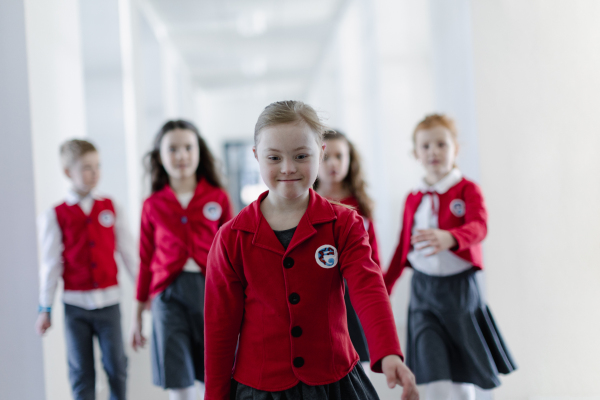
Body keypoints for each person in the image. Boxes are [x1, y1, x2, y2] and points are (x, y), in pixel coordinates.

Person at [205, 101, 419, 400]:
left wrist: (390, 354)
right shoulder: (231, 238)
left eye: (301, 156)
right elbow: (220, 327)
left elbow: (369, 289)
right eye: (274, 157)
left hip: (335, 382)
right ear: (256, 156)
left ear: (321, 152)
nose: (288, 168)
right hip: (260, 389)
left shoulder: (344, 223)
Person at [384, 114, 517, 400]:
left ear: (456, 148)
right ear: (415, 153)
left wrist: (452, 237)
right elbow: (402, 247)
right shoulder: (413, 198)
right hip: (423, 293)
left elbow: (480, 225)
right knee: (431, 368)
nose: (433, 151)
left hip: (459, 291)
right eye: (426, 146)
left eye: (441, 144)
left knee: (462, 369)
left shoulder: (467, 189)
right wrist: (384, 287)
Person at [130, 120, 233, 400]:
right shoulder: (152, 205)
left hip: (210, 291)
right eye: (172, 149)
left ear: (199, 152)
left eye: (188, 147)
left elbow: (234, 253)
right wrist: (138, 313)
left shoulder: (218, 197)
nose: (181, 155)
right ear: (159, 157)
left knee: (212, 371)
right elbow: (145, 257)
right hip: (167, 296)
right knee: (178, 376)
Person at [35, 139, 137, 400]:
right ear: (69, 172)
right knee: (81, 372)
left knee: (117, 366)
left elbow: (129, 253)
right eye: (87, 167)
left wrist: (143, 291)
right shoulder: (56, 214)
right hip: (75, 306)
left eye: (97, 166)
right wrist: (45, 308)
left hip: (109, 302)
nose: (95, 172)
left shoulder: (111, 207)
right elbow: (51, 264)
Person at [314, 129, 380, 374]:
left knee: (359, 362)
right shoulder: (306, 203)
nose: (333, 163)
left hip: (354, 293)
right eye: (326, 156)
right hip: (320, 293)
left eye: (340, 156)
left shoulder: (360, 204)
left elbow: (374, 256)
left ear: (350, 160)